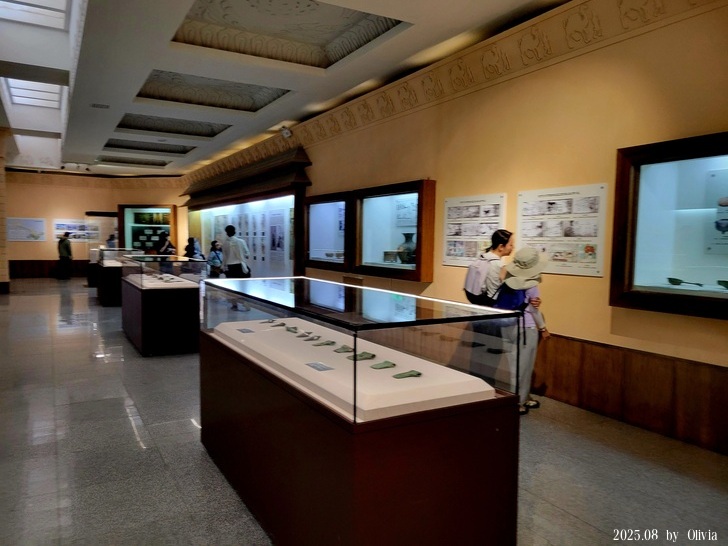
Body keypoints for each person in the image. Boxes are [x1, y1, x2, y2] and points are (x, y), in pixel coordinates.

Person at [497, 247, 550, 415]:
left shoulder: (506, 276)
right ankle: (519, 402)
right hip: (526, 328)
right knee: (525, 367)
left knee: (512, 366)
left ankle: (519, 397)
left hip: (506, 325)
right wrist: (543, 328)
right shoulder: (531, 284)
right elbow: (533, 309)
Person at [464, 229, 514, 305]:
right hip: (489, 305)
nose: (513, 247)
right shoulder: (498, 265)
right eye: (511, 245)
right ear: (501, 247)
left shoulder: (484, 256)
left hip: (476, 301)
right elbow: (494, 294)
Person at [222, 225, 251, 310]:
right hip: (240, 266)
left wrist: (223, 267)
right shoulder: (241, 241)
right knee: (243, 285)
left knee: (231, 287)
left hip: (230, 267)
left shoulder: (225, 244)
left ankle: (234, 304)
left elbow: (224, 257)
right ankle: (245, 302)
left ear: (226, 232)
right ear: (235, 231)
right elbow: (247, 254)